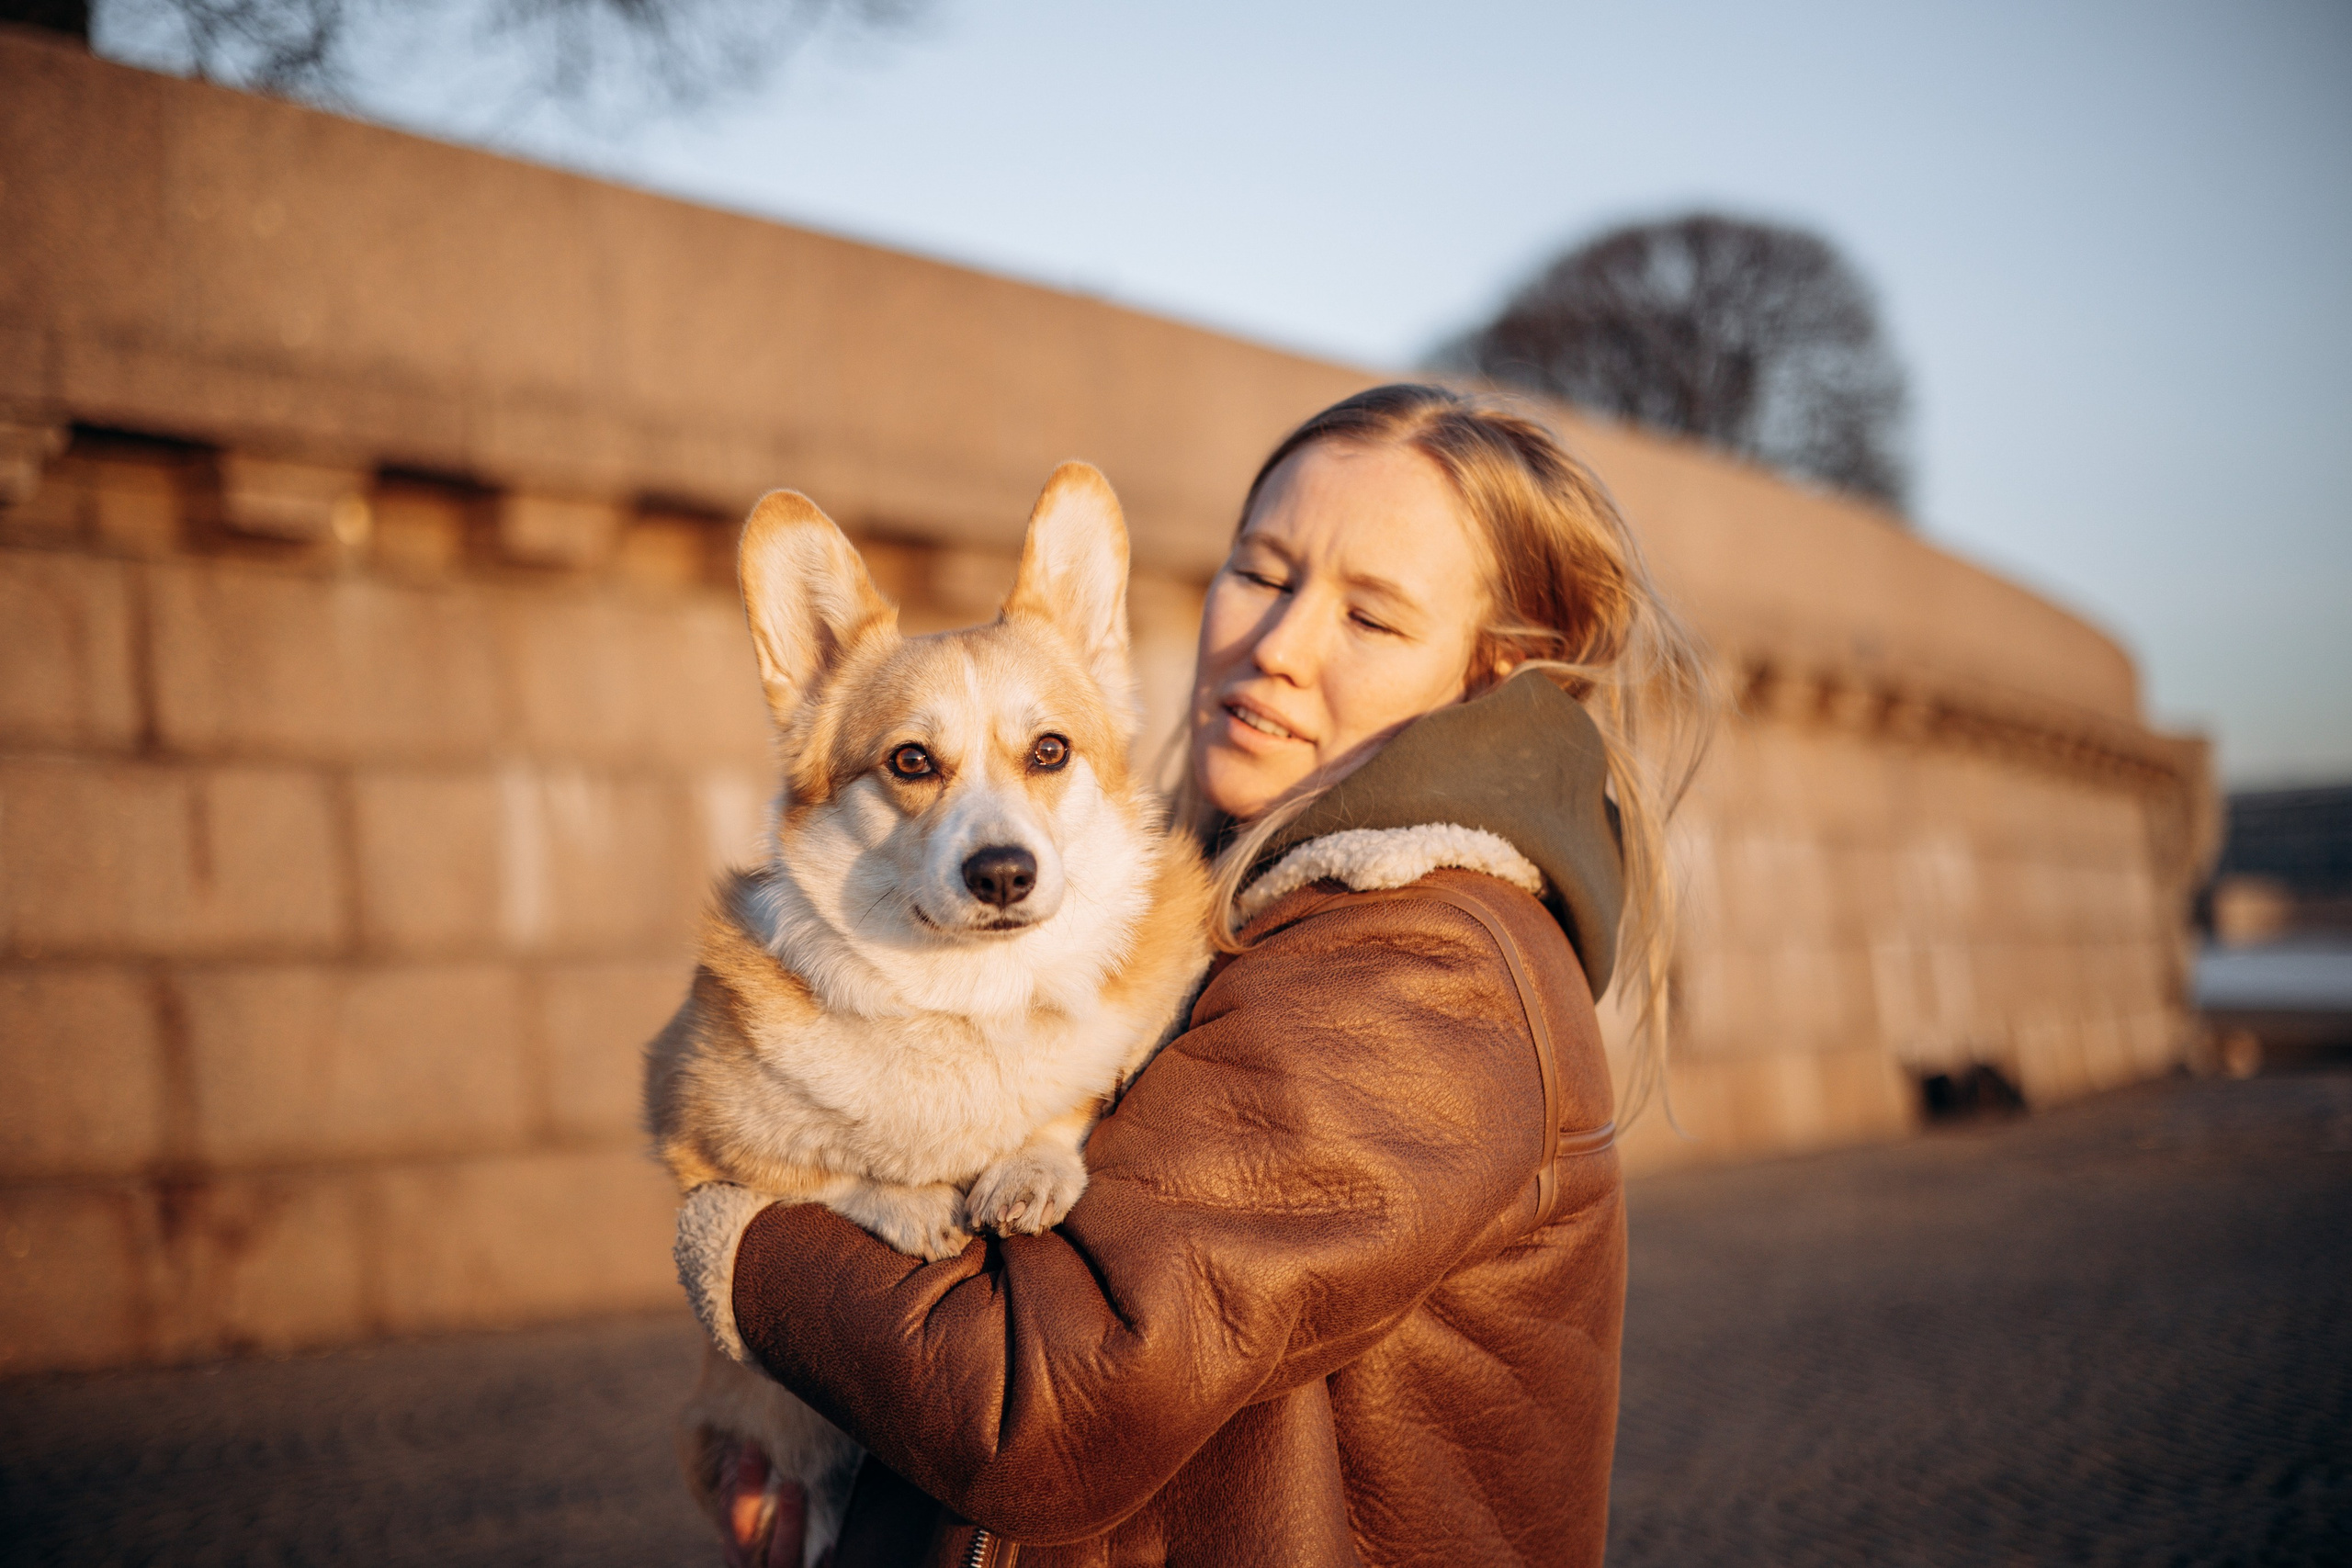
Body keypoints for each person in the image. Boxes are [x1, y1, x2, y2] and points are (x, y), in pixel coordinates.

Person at [673, 382, 1710, 1567]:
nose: (1277, 647)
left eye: (1371, 619)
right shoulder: (1241, 902)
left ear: (1489, 673)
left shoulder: (1425, 970)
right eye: (1263, 573)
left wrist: (740, 1242)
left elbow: (1044, 1408)